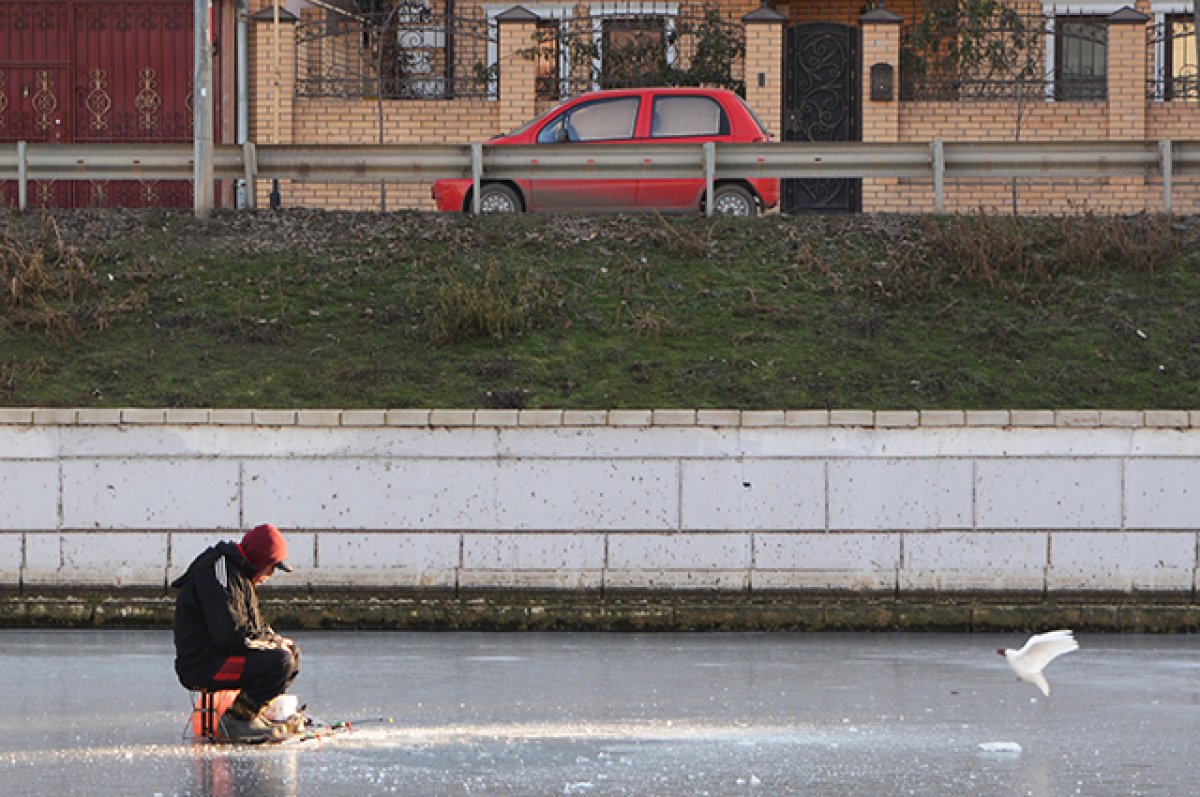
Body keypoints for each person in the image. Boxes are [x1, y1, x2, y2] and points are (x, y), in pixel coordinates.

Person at [171, 522, 301, 742]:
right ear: (260, 559)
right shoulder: (221, 574)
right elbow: (230, 634)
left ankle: (255, 712)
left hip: (220, 656)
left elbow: (254, 627)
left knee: (291, 653)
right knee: (280, 661)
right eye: (271, 566)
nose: (271, 574)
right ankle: (239, 720)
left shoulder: (240, 576)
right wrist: (273, 646)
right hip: (203, 665)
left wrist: (275, 640)